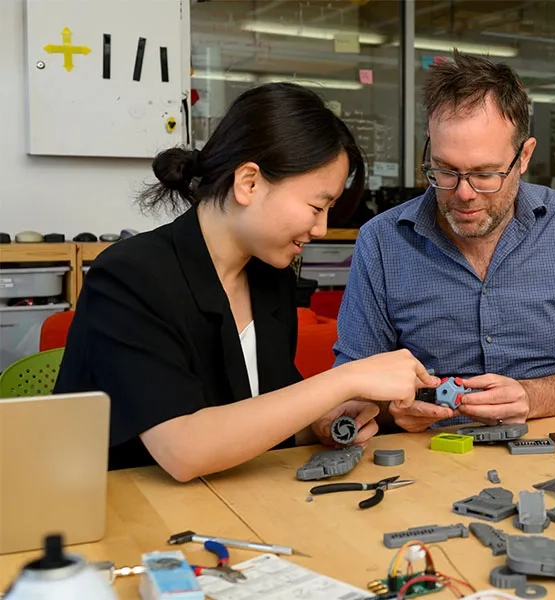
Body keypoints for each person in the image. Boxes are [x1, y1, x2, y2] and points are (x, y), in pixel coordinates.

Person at [54, 83, 439, 481]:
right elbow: (185, 450)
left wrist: (321, 423)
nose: (321, 228)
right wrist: (345, 380)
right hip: (120, 512)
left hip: (228, 501)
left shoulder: (268, 277)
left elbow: (259, 419)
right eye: (316, 206)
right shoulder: (130, 276)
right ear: (249, 182)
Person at [332, 51, 555, 433]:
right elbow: (349, 386)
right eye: (445, 170)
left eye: (484, 174)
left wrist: (534, 397)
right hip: (427, 458)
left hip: (552, 444)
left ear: (524, 155)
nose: (463, 193)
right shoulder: (381, 241)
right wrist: (387, 409)